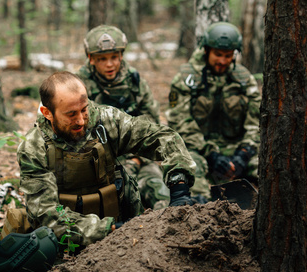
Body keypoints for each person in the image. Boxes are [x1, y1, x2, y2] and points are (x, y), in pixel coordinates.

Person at [17, 71, 197, 247]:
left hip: (126, 222)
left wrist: (179, 184)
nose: (80, 120)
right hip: (69, 240)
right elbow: (46, 214)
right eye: (71, 114)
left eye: (84, 109)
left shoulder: (107, 121)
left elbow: (161, 137)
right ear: (47, 112)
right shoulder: (34, 148)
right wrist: (108, 229)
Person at [76, 24, 171, 210]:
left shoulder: (134, 83)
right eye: (102, 59)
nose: (109, 64)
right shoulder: (77, 85)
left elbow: (150, 127)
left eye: (114, 57)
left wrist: (136, 160)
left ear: (121, 55)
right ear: (91, 59)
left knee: (160, 196)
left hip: (137, 157)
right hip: (96, 162)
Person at [165, 22, 261, 199]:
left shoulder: (244, 80)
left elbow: (256, 122)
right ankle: (200, 207)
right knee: (188, 168)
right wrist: (212, 155)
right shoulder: (186, 78)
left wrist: (244, 153)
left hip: (236, 149)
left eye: (228, 55)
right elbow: (180, 121)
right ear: (207, 50)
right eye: (218, 54)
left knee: (269, 166)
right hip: (199, 150)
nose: (223, 61)